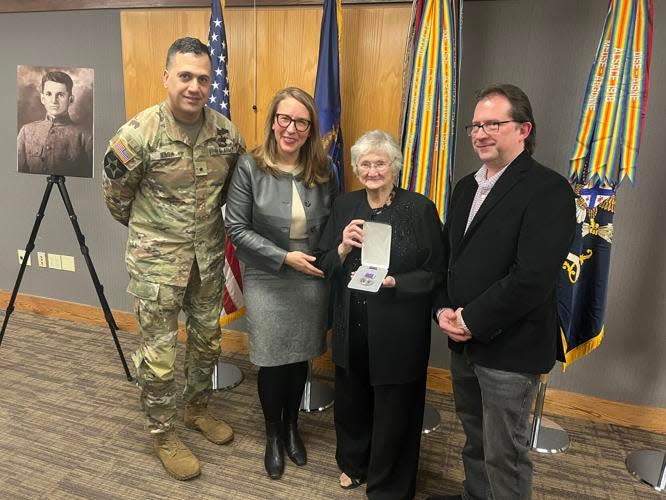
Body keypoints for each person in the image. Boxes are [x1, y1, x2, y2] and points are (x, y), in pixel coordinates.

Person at [102, 37, 245, 481]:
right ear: (166, 77)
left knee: (206, 343)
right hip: (157, 266)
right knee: (159, 355)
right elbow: (117, 199)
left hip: (206, 261)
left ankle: (196, 410)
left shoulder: (226, 133)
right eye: (185, 76)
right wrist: (156, 237)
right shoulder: (137, 135)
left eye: (203, 78)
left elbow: (233, 193)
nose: (195, 86)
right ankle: (162, 432)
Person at [429, 84, 576, 500]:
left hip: (510, 351)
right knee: (475, 441)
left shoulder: (549, 190)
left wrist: (472, 320)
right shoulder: (465, 188)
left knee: (504, 453)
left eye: (493, 123)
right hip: (462, 344)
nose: (480, 133)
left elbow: (531, 278)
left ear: (524, 129)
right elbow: (448, 261)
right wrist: (442, 311)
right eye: (475, 125)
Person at [316, 130, 445, 499]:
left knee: (394, 411)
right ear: (356, 168)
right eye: (365, 164)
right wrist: (341, 247)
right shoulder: (345, 206)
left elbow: (435, 272)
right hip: (351, 325)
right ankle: (353, 464)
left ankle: (388, 483)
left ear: (394, 167)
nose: (372, 170)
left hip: (397, 329)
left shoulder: (419, 209)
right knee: (351, 401)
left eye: (380, 162)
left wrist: (395, 282)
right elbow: (324, 262)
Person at [224, 87, 337, 480]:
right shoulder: (249, 166)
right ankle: (273, 435)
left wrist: (320, 260)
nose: (291, 128)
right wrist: (283, 257)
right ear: (273, 120)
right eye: (284, 119)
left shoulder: (325, 169)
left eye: (301, 122)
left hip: (311, 274)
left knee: (301, 355)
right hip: (266, 272)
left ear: (310, 128)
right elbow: (235, 227)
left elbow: (333, 222)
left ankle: (292, 426)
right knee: (273, 359)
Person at [17, 70, 92, 177]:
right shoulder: (26, 131)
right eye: (48, 94)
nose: (54, 101)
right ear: (42, 98)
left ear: (71, 99)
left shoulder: (85, 136)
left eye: (60, 95)